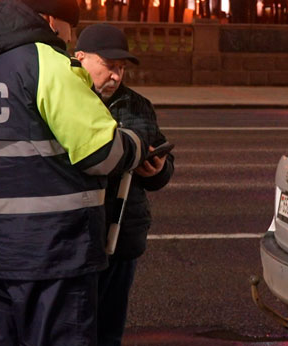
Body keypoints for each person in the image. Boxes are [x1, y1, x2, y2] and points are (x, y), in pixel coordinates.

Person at [0, 0, 149, 346]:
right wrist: (136, 144)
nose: (69, 42)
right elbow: (100, 152)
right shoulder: (49, 65)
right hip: (55, 251)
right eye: (69, 31)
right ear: (52, 21)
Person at [74, 24, 175, 346]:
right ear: (80, 58)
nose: (116, 76)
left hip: (122, 236)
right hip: (75, 236)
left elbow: (159, 159)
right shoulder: (67, 100)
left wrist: (156, 170)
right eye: (109, 66)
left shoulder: (136, 105)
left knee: (109, 329)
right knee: (73, 327)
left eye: (121, 68)